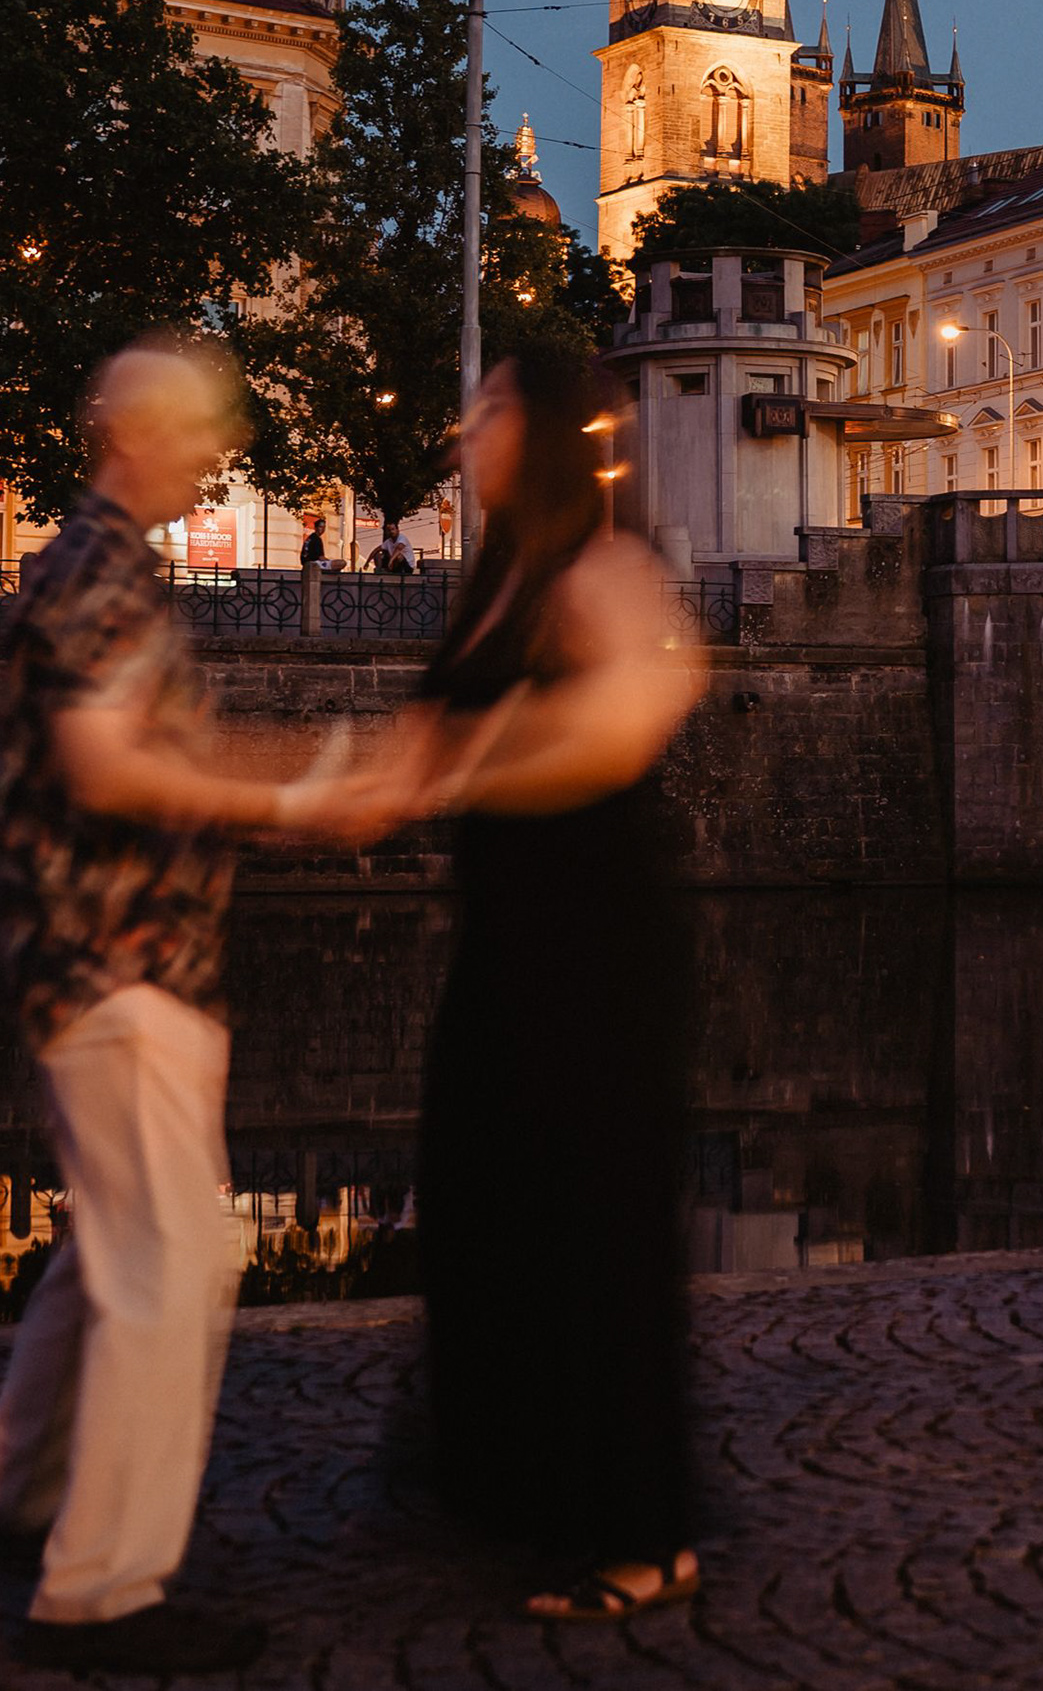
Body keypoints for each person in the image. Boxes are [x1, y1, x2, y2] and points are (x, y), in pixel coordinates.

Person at [0, 340, 385, 1676]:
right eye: (203, 429)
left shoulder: (102, 567)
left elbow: (153, 752)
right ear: (134, 432)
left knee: (109, 1242)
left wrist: (299, 781)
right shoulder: (99, 575)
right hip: (117, 959)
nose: (216, 453)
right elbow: (107, 767)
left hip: (105, 960)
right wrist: (290, 803)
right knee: (176, 1261)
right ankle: (100, 1591)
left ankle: (11, 1492)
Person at [364, 354, 707, 1619]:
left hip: (593, 939)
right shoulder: (495, 575)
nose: (469, 427)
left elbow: (625, 724)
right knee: (479, 1195)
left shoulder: (600, 568)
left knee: (592, 1220)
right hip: (504, 937)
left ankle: (643, 1531)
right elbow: (413, 753)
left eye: (495, 407)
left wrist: (461, 762)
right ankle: (519, 1482)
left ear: (550, 432)